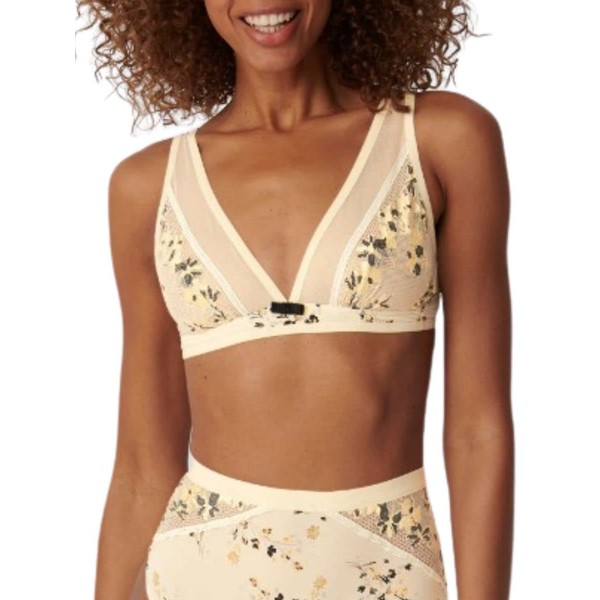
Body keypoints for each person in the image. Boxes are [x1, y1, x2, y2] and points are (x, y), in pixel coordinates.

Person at [79, 1, 514, 598]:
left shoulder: (442, 139)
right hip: (196, 572)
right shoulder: (148, 186)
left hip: (387, 570)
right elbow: (140, 469)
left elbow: (477, 431)